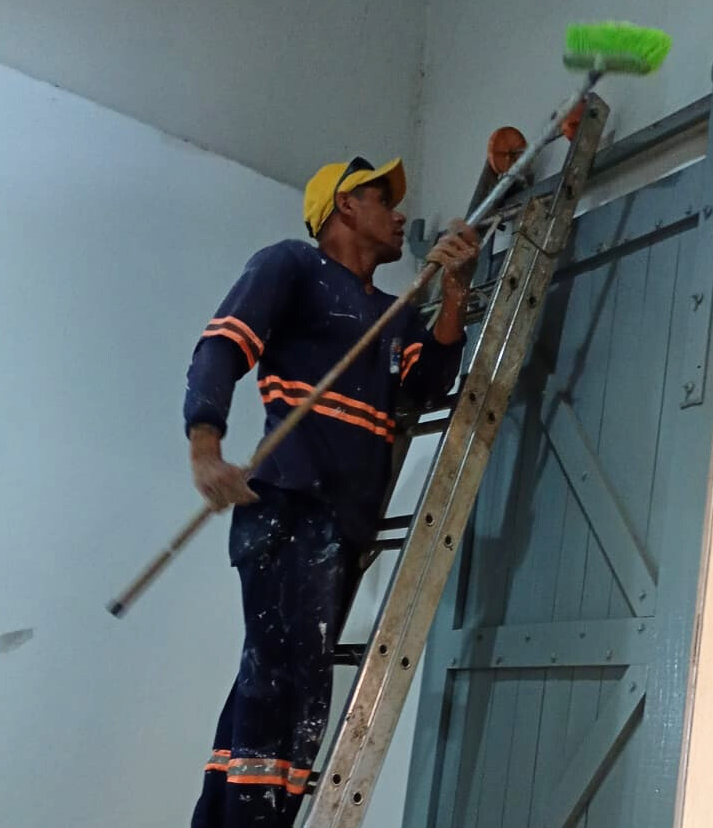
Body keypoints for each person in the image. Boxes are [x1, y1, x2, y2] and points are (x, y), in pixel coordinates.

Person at [183, 155, 479, 828]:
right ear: (345, 207)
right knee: (287, 692)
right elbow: (221, 349)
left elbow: (427, 386)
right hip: (289, 508)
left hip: (343, 526)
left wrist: (456, 292)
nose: (399, 213)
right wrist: (206, 447)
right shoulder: (290, 266)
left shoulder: (391, 313)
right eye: (383, 199)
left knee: (268, 682)